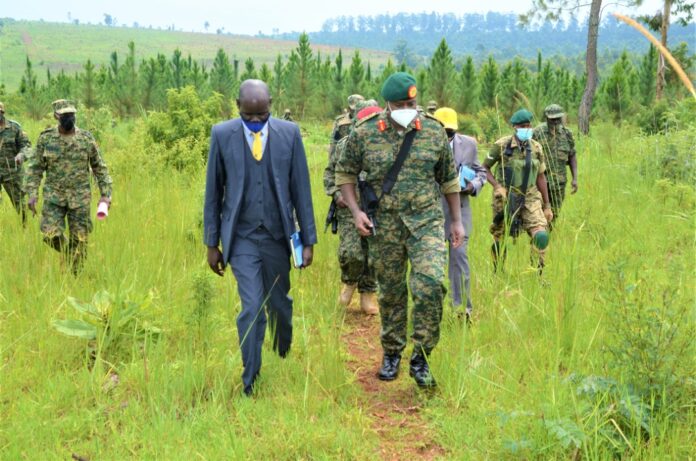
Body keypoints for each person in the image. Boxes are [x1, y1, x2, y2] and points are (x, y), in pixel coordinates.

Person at [336, 72, 464, 388]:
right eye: (401, 104)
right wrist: (356, 212)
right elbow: (345, 173)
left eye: (412, 103)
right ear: (388, 105)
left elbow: (448, 178)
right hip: (386, 226)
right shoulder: (364, 133)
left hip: (426, 223)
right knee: (391, 292)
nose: (408, 109)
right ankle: (392, 351)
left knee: (430, 285)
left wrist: (456, 220)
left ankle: (421, 357)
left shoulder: (433, 131)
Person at [204, 79, 317, 396]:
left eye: (262, 116)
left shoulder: (289, 134)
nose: (255, 122)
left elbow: (301, 190)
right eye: (248, 116)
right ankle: (250, 380)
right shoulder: (222, 134)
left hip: (278, 236)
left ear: (271, 107)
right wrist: (212, 244)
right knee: (252, 307)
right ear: (237, 106)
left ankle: (282, 349)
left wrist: (308, 240)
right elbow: (213, 192)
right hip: (241, 238)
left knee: (278, 303)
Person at [25, 100, 112, 274]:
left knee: (80, 239)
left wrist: (105, 195)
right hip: (54, 197)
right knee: (50, 234)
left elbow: (99, 167)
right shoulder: (46, 139)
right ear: (56, 116)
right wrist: (32, 194)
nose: (69, 118)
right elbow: (35, 168)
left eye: (72, 114)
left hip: (80, 198)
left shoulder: (86, 139)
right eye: (65, 115)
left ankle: (76, 278)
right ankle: (70, 253)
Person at [323, 100, 379, 315]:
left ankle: (367, 295)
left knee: (373, 254)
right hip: (348, 206)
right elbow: (330, 173)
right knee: (352, 253)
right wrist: (336, 194)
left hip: (376, 207)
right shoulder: (344, 145)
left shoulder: (385, 146)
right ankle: (349, 283)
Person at [433, 107, 486, 322]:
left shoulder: (469, 144)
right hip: (432, 213)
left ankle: (462, 311)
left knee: (459, 260)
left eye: (450, 132)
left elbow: (480, 172)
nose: (447, 136)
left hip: (460, 213)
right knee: (432, 264)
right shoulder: (423, 144)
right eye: (443, 131)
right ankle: (432, 312)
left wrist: (473, 185)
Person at [483, 109, 553, 273]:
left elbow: (541, 176)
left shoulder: (536, 147)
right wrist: (497, 186)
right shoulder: (501, 145)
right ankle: (498, 271)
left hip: (530, 197)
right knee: (499, 237)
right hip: (506, 197)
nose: (526, 129)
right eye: (522, 126)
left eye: (528, 125)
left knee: (541, 236)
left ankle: (537, 272)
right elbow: (484, 168)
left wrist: (547, 205)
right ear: (515, 127)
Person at [533, 104, 577, 225]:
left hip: (559, 184)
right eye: (552, 119)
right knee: (538, 214)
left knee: (554, 214)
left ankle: (548, 235)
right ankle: (538, 235)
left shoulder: (567, 134)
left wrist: (575, 178)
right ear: (547, 118)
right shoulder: (537, 133)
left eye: (558, 119)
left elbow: (572, 155)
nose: (556, 122)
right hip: (540, 182)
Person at [0, 101, 32, 223]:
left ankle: (25, 227)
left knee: (19, 203)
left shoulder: (14, 128)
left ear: (2, 112)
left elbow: (26, 146)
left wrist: (21, 154)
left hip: (12, 173)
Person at [328, 94, 364, 160]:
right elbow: (334, 142)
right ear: (349, 108)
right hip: (344, 158)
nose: (356, 111)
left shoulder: (368, 120)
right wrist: (332, 160)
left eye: (359, 109)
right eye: (354, 109)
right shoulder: (340, 121)